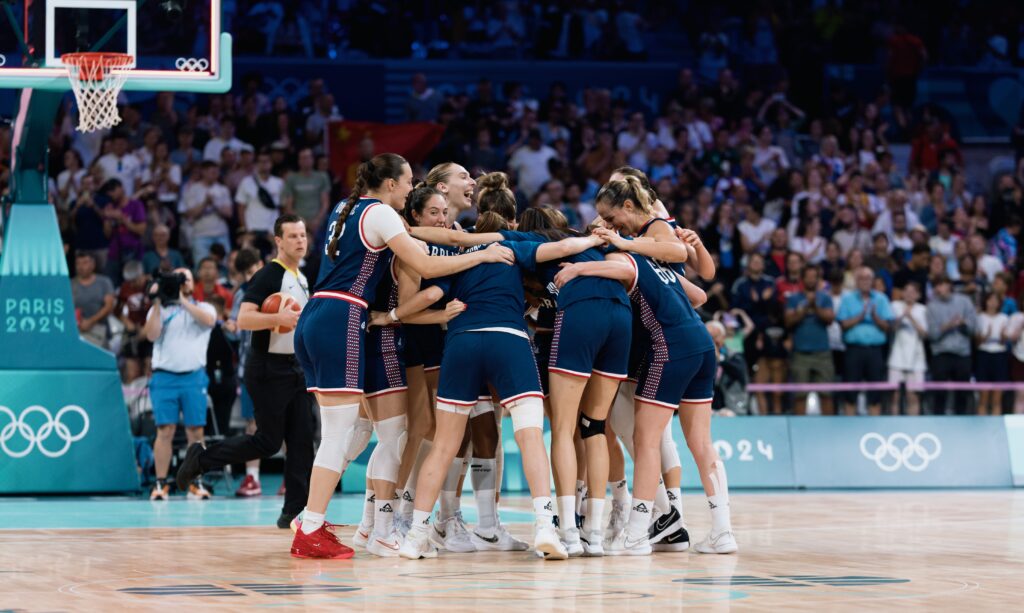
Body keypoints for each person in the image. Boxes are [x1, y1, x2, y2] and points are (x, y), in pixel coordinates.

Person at [286, 154, 515, 560]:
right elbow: (424, 259)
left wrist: (484, 240)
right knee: (341, 434)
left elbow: (433, 236)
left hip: (320, 314)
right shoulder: (379, 213)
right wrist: (481, 255)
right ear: (390, 184)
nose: (413, 186)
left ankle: (347, 524)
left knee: (371, 433)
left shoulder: (347, 205)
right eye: (408, 181)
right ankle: (310, 523)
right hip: (344, 314)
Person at [399, 205, 603, 562]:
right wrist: (589, 239)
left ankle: (416, 534)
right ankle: (544, 525)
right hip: (507, 338)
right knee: (529, 437)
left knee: (444, 445)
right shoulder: (511, 245)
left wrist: (395, 315)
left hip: (460, 341)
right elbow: (558, 250)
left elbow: (428, 297)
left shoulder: (456, 256)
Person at [556, 216, 735, 556]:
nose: (598, 225)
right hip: (699, 343)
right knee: (689, 441)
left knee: (641, 439)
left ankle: (645, 524)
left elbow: (622, 269)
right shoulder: (657, 262)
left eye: (604, 221)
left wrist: (579, 271)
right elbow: (698, 293)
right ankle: (715, 529)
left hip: (661, 352)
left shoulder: (625, 258)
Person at [177, 215, 314, 527]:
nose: (299, 241)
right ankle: (201, 458)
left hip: (295, 367)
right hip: (267, 366)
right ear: (278, 241)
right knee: (267, 442)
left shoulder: (301, 277)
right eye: (292, 236)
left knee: (303, 440)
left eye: (302, 235)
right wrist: (276, 317)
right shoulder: (270, 274)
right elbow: (244, 319)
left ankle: (293, 513)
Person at [143, 267, 217, 500]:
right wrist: (157, 301)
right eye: (177, 279)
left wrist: (182, 299)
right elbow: (151, 335)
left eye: (185, 279)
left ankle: (197, 482)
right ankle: (160, 484)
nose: (181, 282)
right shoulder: (159, 311)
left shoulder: (203, 307)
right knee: (165, 430)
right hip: (164, 377)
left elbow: (209, 321)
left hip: (194, 376)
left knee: (196, 430)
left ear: (192, 284)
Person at [837, 267, 894, 416]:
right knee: (850, 391)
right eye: (861, 278)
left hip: (875, 351)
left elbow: (888, 327)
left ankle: (874, 428)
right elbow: (843, 325)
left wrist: (875, 318)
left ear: (873, 281)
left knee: (875, 393)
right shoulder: (848, 299)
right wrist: (860, 317)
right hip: (853, 350)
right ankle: (849, 425)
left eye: (868, 278)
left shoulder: (881, 299)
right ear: (856, 281)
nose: (865, 281)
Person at [785, 265, 836, 415]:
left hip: (823, 353)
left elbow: (830, 319)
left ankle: (829, 426)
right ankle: (799, 427)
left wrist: (816, 306)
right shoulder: (794, 299)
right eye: (808, 276)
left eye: (814, 276)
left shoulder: (825, 298)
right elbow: (788, 321)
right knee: (800, 394)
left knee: (826, 394)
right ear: (803, 279)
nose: (811, 279)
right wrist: (806, 307)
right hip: (801, 353)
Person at [926, 274, 977, 415]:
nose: (938, 289)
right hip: (940, 354)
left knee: (962, 393)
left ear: (949, 286)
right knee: (939, 393)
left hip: (962, 354)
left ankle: (961, 422)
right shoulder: (931, 306)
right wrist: (948, 325)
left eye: (941, 285)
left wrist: (962, 324)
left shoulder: (965, 302)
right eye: (936, 286)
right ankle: (938, 422)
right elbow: (932, 335)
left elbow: (974, 328)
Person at [180, 161, 232, 265]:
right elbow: (190, 214)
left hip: (221, 234)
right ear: (203, 172)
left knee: (225, 266)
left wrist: (215, 204)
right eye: (212, 172)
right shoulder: (193, 189)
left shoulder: (223, 189)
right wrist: (205, 203)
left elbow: (229, 213)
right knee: (202, 266)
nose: (215, 174)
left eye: (217, 172)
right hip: (201, 235)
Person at [888, 282, 928, 415]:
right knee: (895, 395)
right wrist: (902, 316)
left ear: (918, 295)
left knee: (913, 396)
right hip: (897, 356)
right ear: (902, 293)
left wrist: (910, 318)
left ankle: (913, 428)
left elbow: (924, 334)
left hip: (916, 358)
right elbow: (891, 328)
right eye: (907, 291)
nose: (909, 294)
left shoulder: (923, 309)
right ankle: (894, 427)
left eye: (913, 292)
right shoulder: (895, 306)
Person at [236, 150, 286, 242]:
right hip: (252, 229)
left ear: (271, 164)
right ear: (256, 164)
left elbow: (283, 208)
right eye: (260, 161)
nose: (263, 164)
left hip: (272, 230)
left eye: (266, 161)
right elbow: (241, 208)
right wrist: (245, 228)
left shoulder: (279, 183)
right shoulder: (246, 182)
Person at [283, 148, 332, 237]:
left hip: (319, 222)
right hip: (297, 223)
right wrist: (301, 222)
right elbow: (288, 205)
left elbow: (325, 203)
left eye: (307, 157)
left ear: (313, 160)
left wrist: (317, 220)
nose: (305, 160)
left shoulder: (322, 177)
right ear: (298, 160)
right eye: (302, 158)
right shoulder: (291, 178)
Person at [975, 291, 1010, 416]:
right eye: (990, 299)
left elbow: (1005, 342)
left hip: (999, 356)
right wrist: (986, 336)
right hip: (984, 355)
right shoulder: (979, 317)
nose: (993, 303)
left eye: (996, 300)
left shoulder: (1004, 318)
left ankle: (996, 429)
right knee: (983, 397)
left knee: (997, 398)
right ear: (986, 301)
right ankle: (981, 427)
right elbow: (976, 342)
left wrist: (1002, 337)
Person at [72, 251, 116, 348]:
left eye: (85, 263)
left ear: (93, 264)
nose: (81, 266)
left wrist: (91, 321)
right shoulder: (70, 284)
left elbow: (109, 306)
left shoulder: (104, 282)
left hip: (100, 332)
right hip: (76, 332)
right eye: (78, 263)